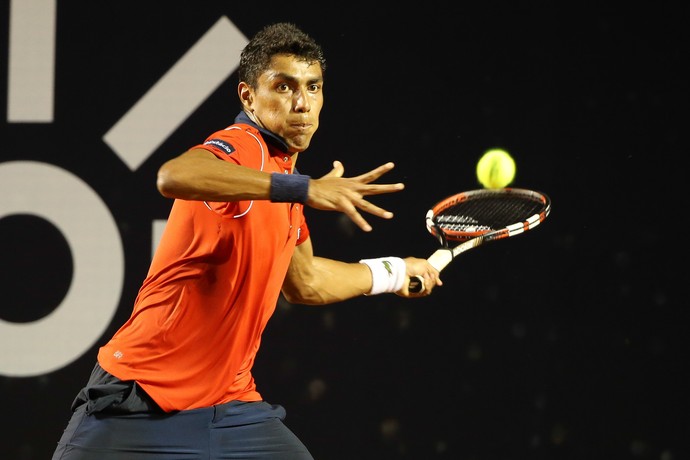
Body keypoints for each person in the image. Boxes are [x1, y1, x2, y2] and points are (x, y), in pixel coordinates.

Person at [52, 22, 441, 459]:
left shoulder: (280, 178)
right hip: (140, 399)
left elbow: (306, 280)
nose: (302, 104)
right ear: (248, 97)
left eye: (313, 87)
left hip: (230, 408)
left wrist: (392, 272)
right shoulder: (247, 147)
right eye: (284, 86)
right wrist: (304, 189)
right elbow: (174, 175)